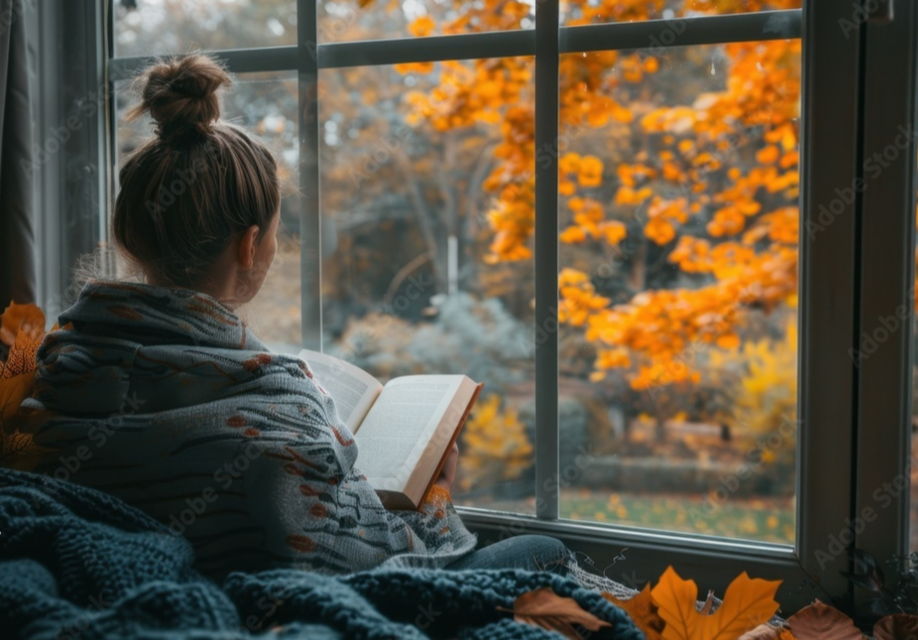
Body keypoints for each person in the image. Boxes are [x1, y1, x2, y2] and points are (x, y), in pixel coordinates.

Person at [21, 53, 571, 581]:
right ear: (250, 244)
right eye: (277, 233)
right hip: (258, 598)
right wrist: (436, 501)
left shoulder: (60, 363)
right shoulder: (284, 405)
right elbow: (367, 564)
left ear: (130, 235)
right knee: (543, 550)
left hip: (129, 570)